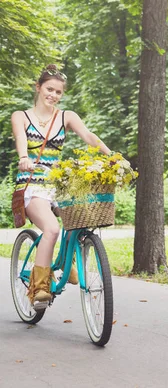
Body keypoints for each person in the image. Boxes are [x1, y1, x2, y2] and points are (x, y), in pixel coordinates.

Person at [11, 64, 111, 310]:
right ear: (38, 88)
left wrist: (112, 156)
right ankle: (40, 288)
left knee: (82, 215)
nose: (53, 95)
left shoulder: (67, 116)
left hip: (57, 182)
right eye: (49, 89)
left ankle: (68, 260)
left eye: (58, 92)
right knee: (52, 229)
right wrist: (24, 157)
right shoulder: (21, 116)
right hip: (33, 182)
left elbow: (89, 137)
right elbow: (22, 140)